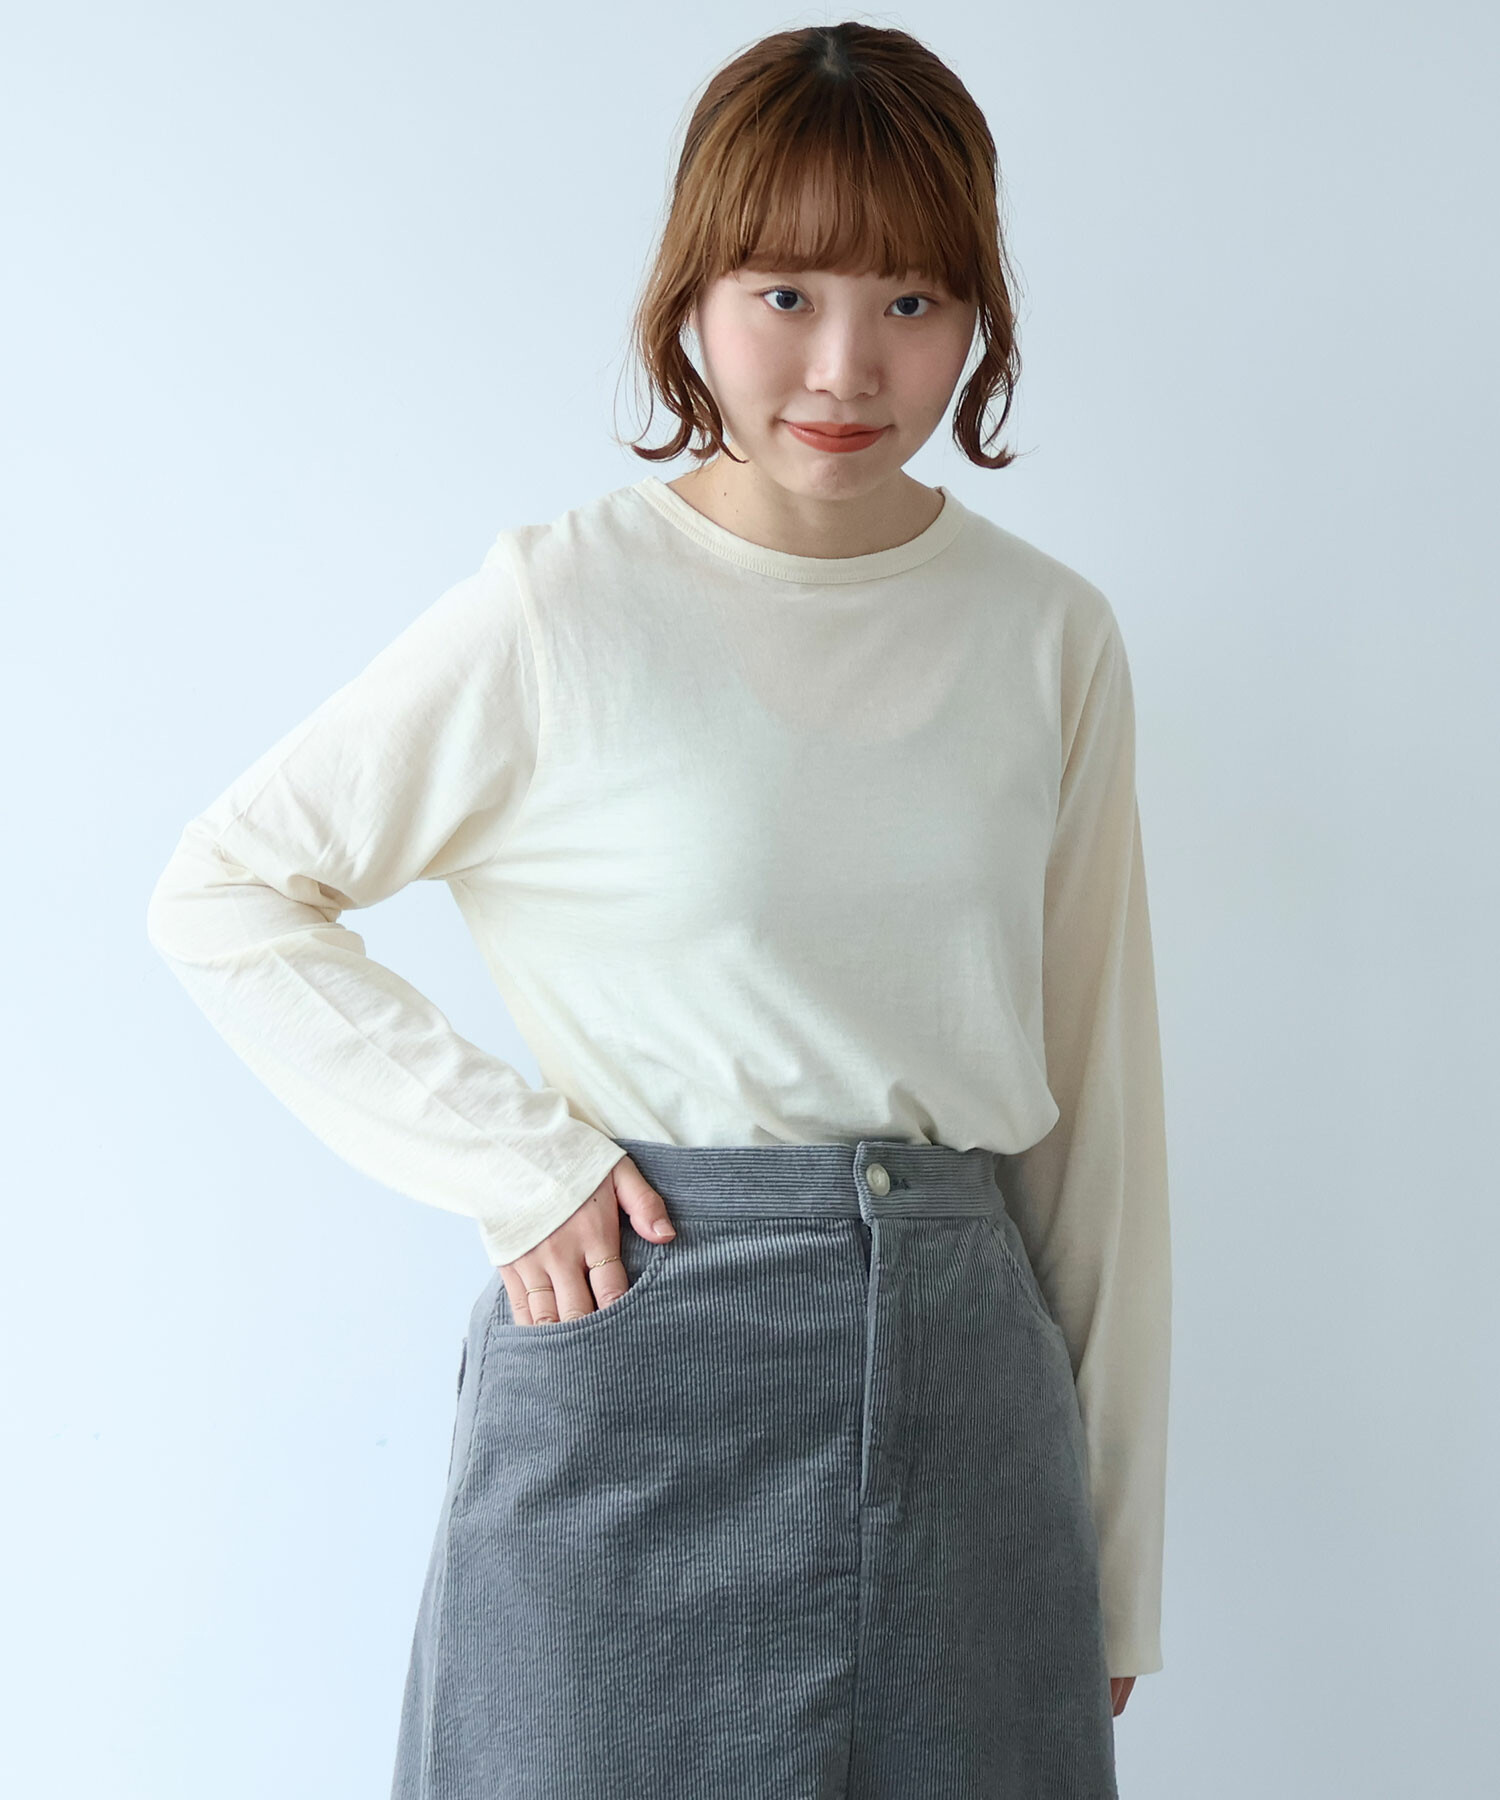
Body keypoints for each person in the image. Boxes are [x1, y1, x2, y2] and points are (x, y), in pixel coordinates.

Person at [146, 19, 1170, 1799]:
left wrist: (1118, 1553)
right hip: (639, 1359)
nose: (847, 363)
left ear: (978, 315)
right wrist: (516, 1163)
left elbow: (1103, 1116)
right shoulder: (564, 608)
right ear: (690, 293)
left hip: (968, 1387)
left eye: (913, 300)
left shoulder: (1047, 635)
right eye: (785, 293)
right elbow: (228, 890)